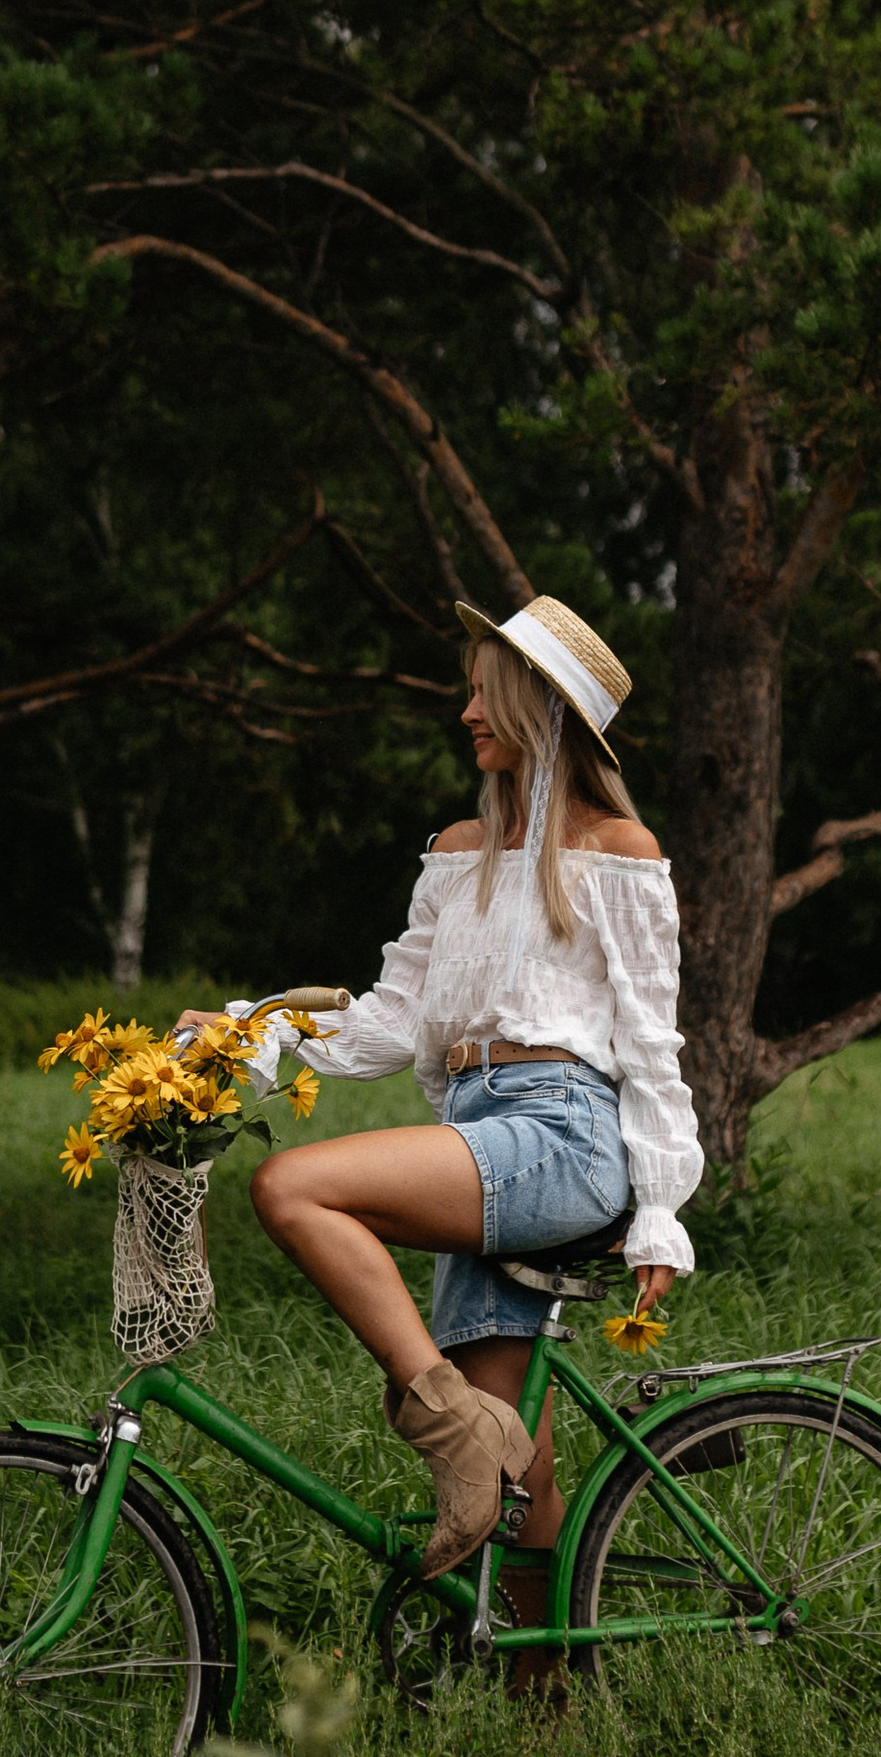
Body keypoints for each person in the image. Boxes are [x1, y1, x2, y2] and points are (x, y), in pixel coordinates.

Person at [184, 592, 702, 1603]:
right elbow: (389, 1021)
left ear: (537, 708)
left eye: (485, 691)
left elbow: (650, 1043)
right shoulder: (457, 851)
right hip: (480, 1129)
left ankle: (442, 1415)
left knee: (295, 1186)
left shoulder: (618, 854)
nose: (466, 710)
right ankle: (540, 1694)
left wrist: (660, 1216)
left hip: (564, 1131)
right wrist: (255, 1026)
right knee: (514, 1455)